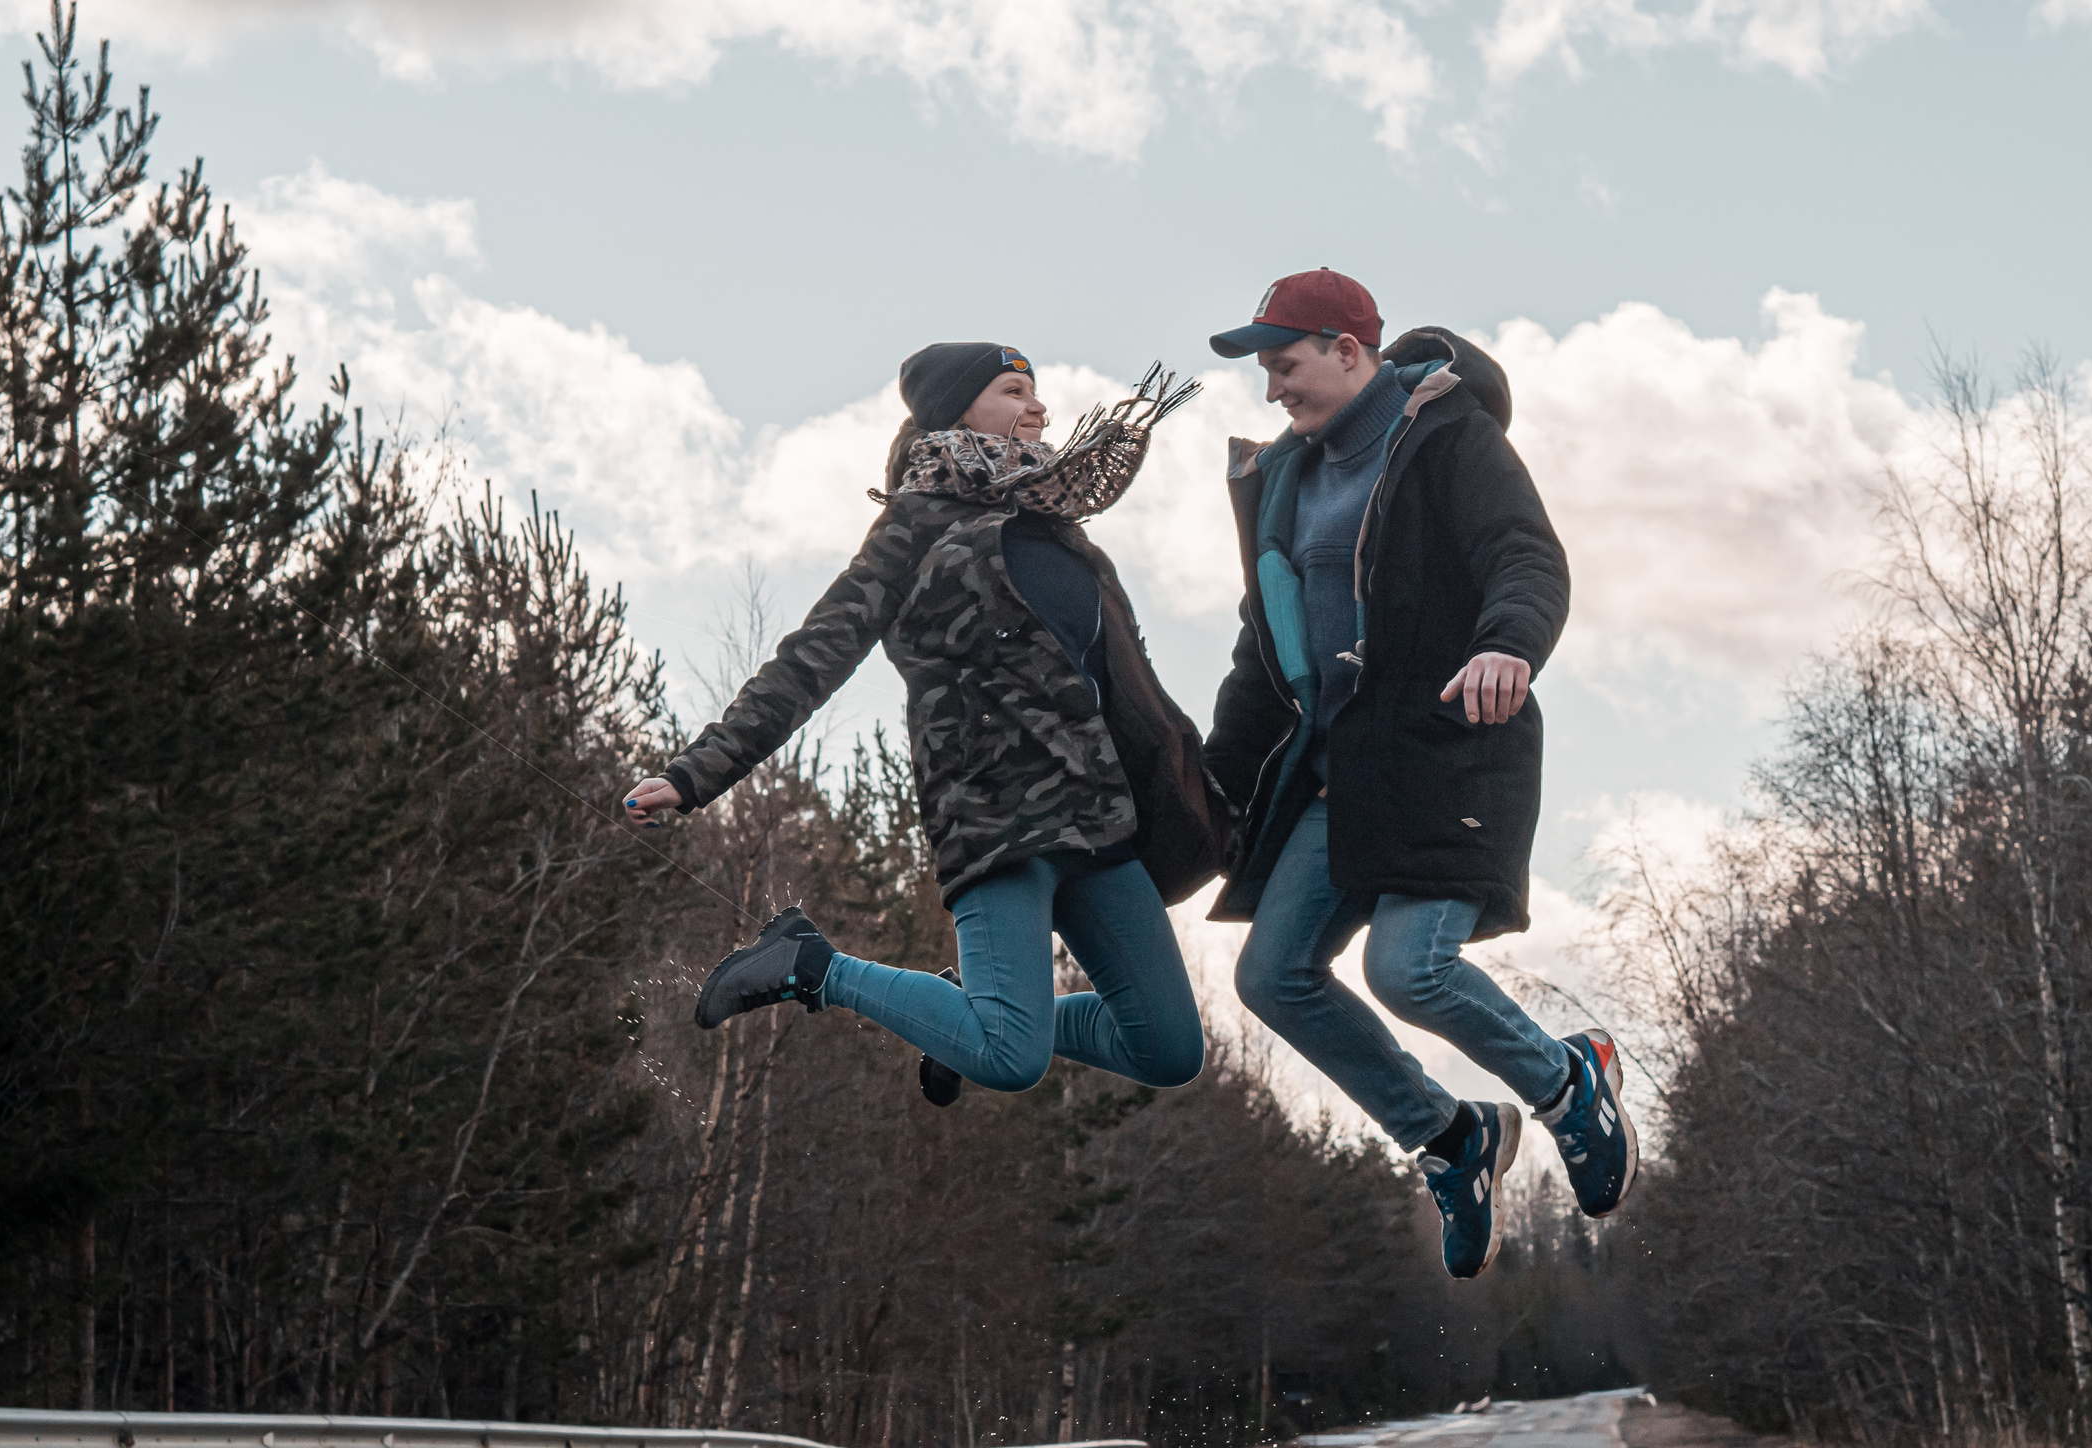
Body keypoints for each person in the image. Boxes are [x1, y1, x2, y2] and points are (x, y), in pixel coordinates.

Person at [622, 343, 1228, 1102]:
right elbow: (810, 662)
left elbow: (1134, 696)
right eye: (1013, 391)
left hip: (1098, 821)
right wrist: (691, 775)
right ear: (956, 409)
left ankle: (950, 1016)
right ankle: (811, 966)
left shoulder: (1067, 537)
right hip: (995, 821)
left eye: (1036, 392)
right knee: (1010, 1058)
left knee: (1169, 1048)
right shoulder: (917, 526)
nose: (1037, 407)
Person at [1201, 269, 1636, 1280]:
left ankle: (1567, 1083)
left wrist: (1508, 646)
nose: (1273, 389)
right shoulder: (1282, 481)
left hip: (1446, 744)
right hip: (1338, 770)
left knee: (1408, 968)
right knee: (1273, 976)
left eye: (1285, 363)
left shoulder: (1446, 438)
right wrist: (1216, 789)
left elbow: (1525, 556)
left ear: (1348, 350)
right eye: (1265, 371)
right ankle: (1450, 1140)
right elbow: (1259, 655)